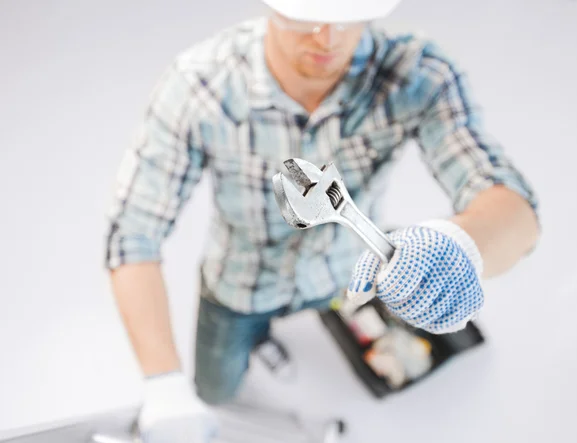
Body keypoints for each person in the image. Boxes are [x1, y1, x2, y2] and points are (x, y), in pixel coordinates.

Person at [104, 0, 540, 441]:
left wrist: (463, 243)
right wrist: (162, 382)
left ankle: (272, 341)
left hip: (340, 280)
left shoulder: (417, 74)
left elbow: (510, 204)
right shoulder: (198, 86)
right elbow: (132, 233)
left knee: (331, 342)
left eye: (349, 11)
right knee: (215, 391)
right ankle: (257, 339)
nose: (327, 37)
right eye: (304, 12)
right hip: (237, 289)